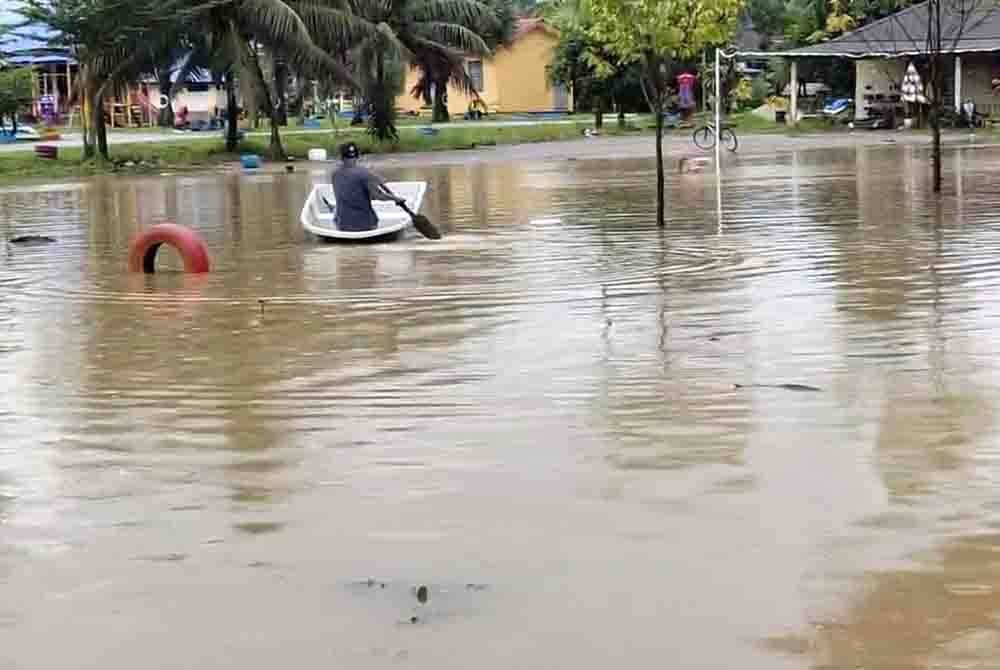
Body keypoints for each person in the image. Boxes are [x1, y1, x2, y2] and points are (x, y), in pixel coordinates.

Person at [331, 142, 406, 232]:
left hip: (342, 224)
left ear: (341, 157)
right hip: (365, 224)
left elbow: (354, 193)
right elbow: (378, 196)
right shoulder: (364, 174)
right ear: (358, 156)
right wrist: (396, 198)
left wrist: (372, 178)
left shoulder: (335, 174)